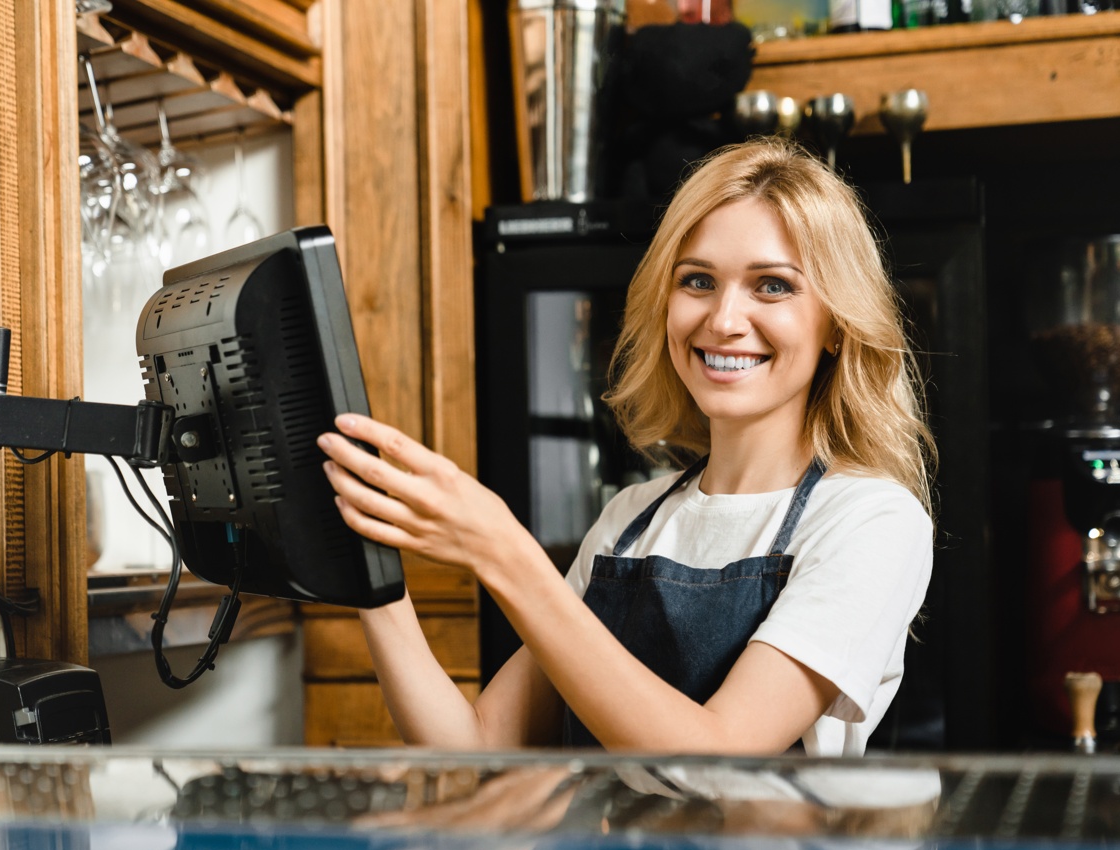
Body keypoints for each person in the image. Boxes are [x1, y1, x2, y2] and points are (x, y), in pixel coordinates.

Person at [317, 137, 936, 757]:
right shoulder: (629, 524)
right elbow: (474, 750)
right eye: (697, 281)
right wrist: (366, 560)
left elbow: (718, 758)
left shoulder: (872, 521)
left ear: (835, 326)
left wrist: (502, 552)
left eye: (772, 286)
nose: (723, 319)